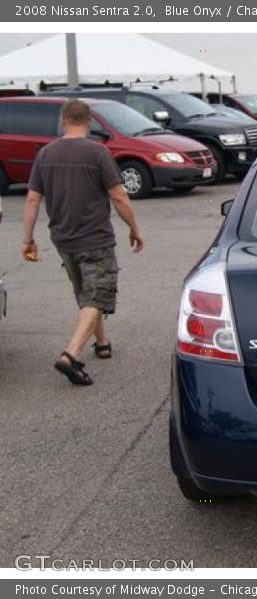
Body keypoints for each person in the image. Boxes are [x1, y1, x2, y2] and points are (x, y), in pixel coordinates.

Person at [21, 99, 144, 386]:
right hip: (95, 237)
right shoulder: (98, 152)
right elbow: (119, 196)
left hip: (63, 238)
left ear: (64, 121)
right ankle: (71, 355)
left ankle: (102, 343)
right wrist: (135, 228)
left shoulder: (45, 154)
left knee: (86, 292)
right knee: (96, 295)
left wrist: (28, 239)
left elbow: (32, 199)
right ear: (90, 122)